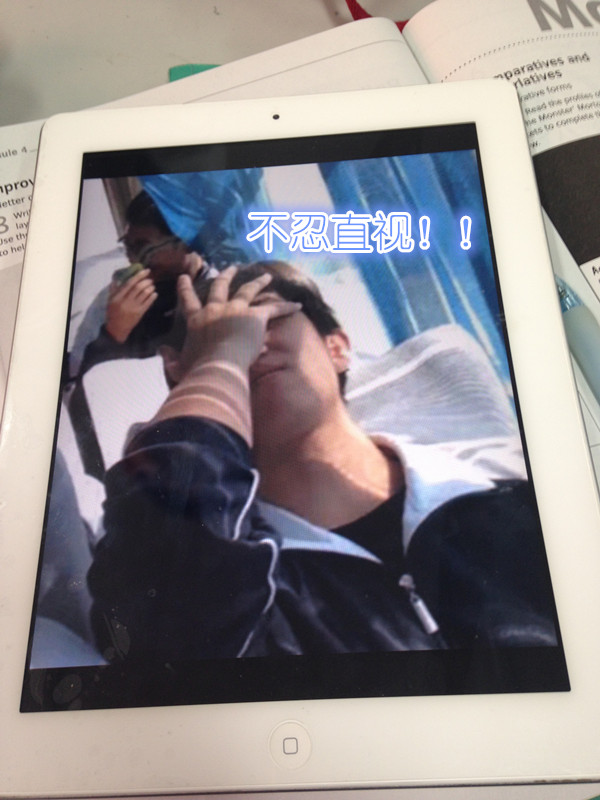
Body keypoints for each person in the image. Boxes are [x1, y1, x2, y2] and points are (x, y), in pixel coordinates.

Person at [88, 261, 559, 662]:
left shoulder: (520, 497)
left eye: (265, 315)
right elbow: (158, 613)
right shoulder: (232, 583)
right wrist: (219, 363)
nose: (249, 343)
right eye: (218, 334)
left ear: (337, 348)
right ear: (181, 372)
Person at [78, 190, 212, 374]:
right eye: (128, 247)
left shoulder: (223, 293)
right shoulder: (117, 301)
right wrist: (114, 332)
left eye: (143, 248)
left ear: (187, 242)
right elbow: (84, 381)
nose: (134, 260)